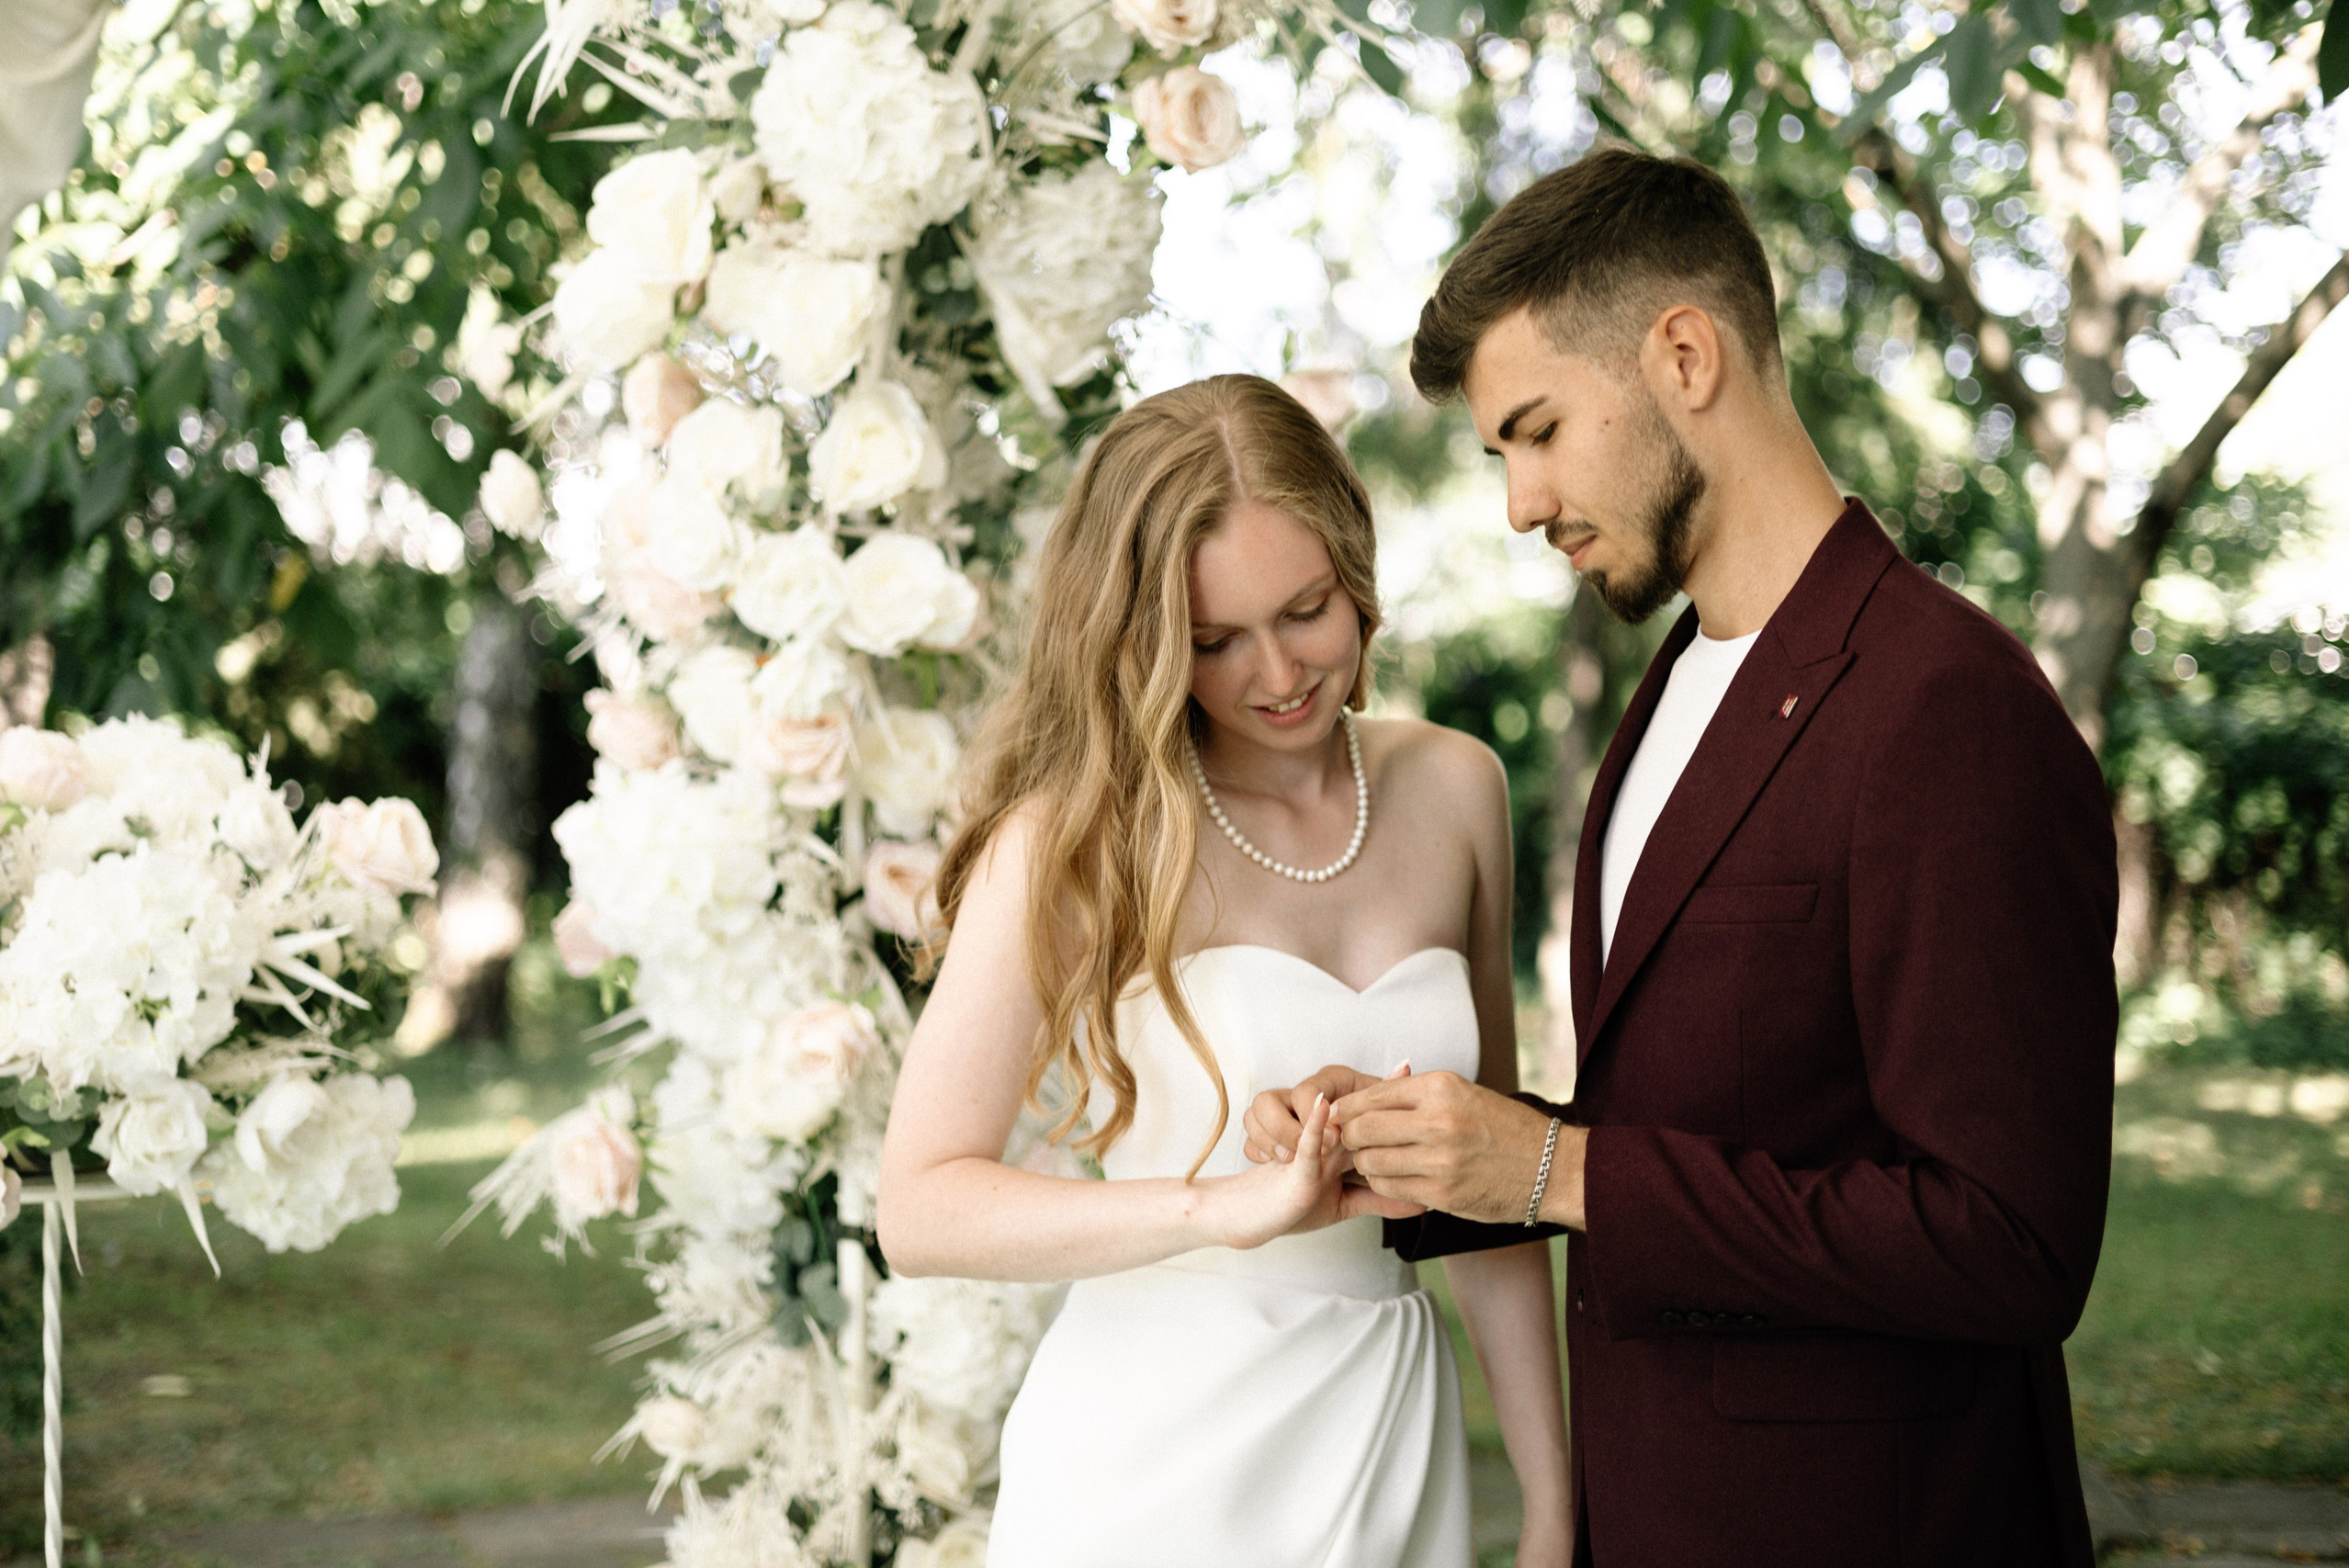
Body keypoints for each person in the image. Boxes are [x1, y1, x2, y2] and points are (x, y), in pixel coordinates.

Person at [1246, 149, 2119, 1567]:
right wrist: (1434, 1148)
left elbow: (2008, 1240)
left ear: (1685, 354)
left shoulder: (1945, 706)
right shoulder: (1676, 688)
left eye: (1537, 429)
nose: (1521, 503)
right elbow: (1700, 1108)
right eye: (1500, 455)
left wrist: (1560, 1174)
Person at [875, 374, 1572, 1567]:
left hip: (1385, 1425)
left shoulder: (1457, 786)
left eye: (1305, 609)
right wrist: (1224, 1207)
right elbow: (920, 1204)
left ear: (1352, 564)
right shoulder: (1081, 836)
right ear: (1143, 639)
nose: (1279, 673)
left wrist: (1558, 1505)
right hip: (1149, 1453)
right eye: (1213, 641)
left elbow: (1486, 1188)